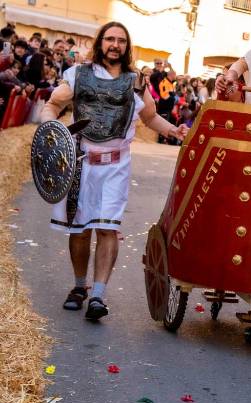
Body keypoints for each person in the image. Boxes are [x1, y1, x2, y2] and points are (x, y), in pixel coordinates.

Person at [40, 22, 189, 320]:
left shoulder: (135, 81)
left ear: (127, 46)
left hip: (116, 165)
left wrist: (174, 130)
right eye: (110, 38)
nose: (115, 45)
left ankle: (97, 295)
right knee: (80, 229)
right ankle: (79, 286)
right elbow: (53, 104)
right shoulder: (78, 75)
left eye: (121, 40)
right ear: (100, 42)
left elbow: (149, 117)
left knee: (108, 227)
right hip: (81, 162)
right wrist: (50, 130)